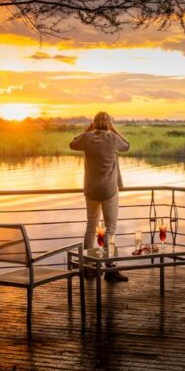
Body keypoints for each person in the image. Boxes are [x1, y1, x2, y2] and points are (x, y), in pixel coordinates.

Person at [70, 112, 130, 282]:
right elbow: (127, 145)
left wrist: (88, 130)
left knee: (91, 226)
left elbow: (72, 144)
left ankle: (89, 267)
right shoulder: (113, 138)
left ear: (94, 123)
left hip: (91, 191)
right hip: (109, 191)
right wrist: (114, 129)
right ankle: (110, 269)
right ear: (109, 123)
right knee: (110, 228)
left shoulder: (87, 138)